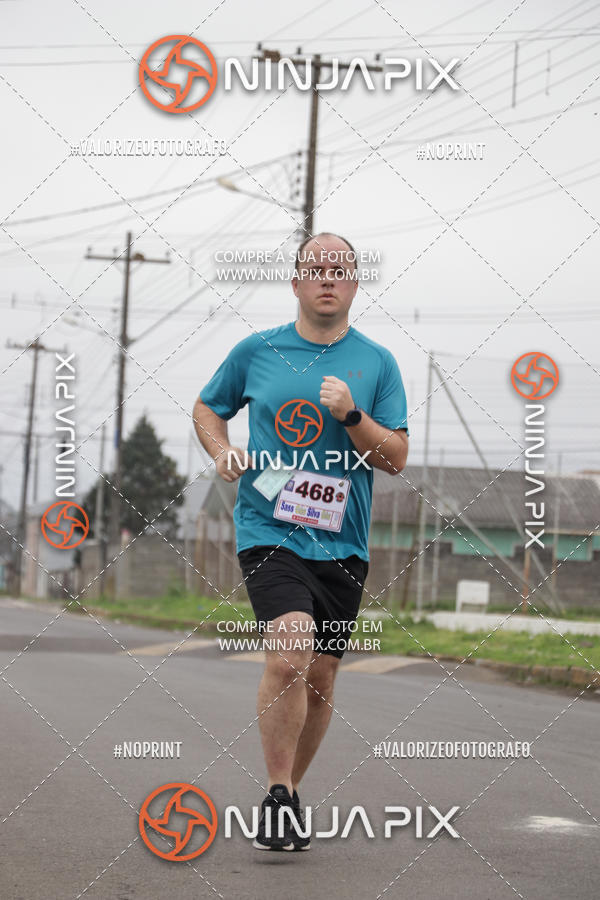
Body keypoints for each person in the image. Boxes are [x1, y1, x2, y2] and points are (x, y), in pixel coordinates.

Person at [193, 232, 409, 851]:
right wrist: (222, 450)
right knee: (289, 652)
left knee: (320, 679)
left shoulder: (377, 363)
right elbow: (208, 410)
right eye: (315, 268)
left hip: (344, 542)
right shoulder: (256, 352)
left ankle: (287, 802)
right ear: (295, 282)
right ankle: (279, 789)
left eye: (339, 270)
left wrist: (350, 415)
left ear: (354, 285)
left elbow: (394, 458)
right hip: (269, 527)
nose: (327, 279)